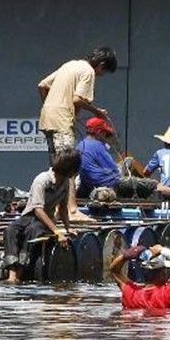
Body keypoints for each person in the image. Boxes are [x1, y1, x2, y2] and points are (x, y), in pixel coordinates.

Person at [37, 47, 118, 220]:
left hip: (47, 119)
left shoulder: (71, 64)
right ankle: (72, 210)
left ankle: (57, 209)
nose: (100, 76)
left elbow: (42, 85)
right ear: (101, 65)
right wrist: (97, 112)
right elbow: (77, 99)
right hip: (61, 121)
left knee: (56, 167)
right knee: (70, 166)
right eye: (102, 72)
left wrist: (51, 105)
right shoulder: (88, 71)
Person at [2, 149, 81, 282]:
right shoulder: (42, 180)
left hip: (45, 221)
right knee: (10, 230)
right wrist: (57, 231)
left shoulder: (66, 182)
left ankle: (20, 272)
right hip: (30, 216)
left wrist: (68, 229)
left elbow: (62, 209)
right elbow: (38, 209)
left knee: (32, 231)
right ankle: (12, 274)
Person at [108, 243, 170, 310]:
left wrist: (125, 256)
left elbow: (114, 270)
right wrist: (162, 250)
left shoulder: (130, 292)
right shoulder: (169, 292)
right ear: (162, 273)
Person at [75, 117, 121, 198]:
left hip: (87, 184)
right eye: (106, 134)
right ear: (99, 132)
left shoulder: (80, 145)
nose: (106, 137)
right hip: (105, 184)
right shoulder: (98, 146)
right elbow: (114, 171)